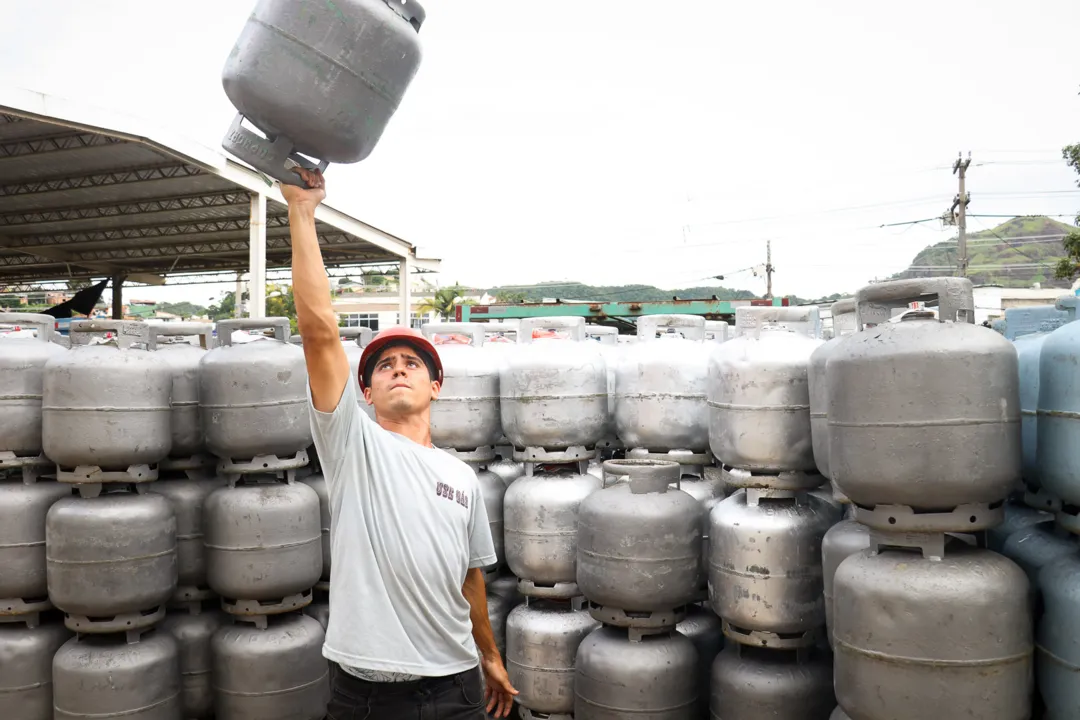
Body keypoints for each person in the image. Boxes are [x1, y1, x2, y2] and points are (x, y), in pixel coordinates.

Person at [282, 167, 518, 719]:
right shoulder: (352, 445)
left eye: (413, 363)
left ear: (436, 386)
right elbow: (318, 330)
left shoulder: (462, 476)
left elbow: (471, 577)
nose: (399, 370)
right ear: (364, 390)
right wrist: (301, 210)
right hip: (368, 696)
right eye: (384, 366)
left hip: (456, 687)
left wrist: (491, 657)